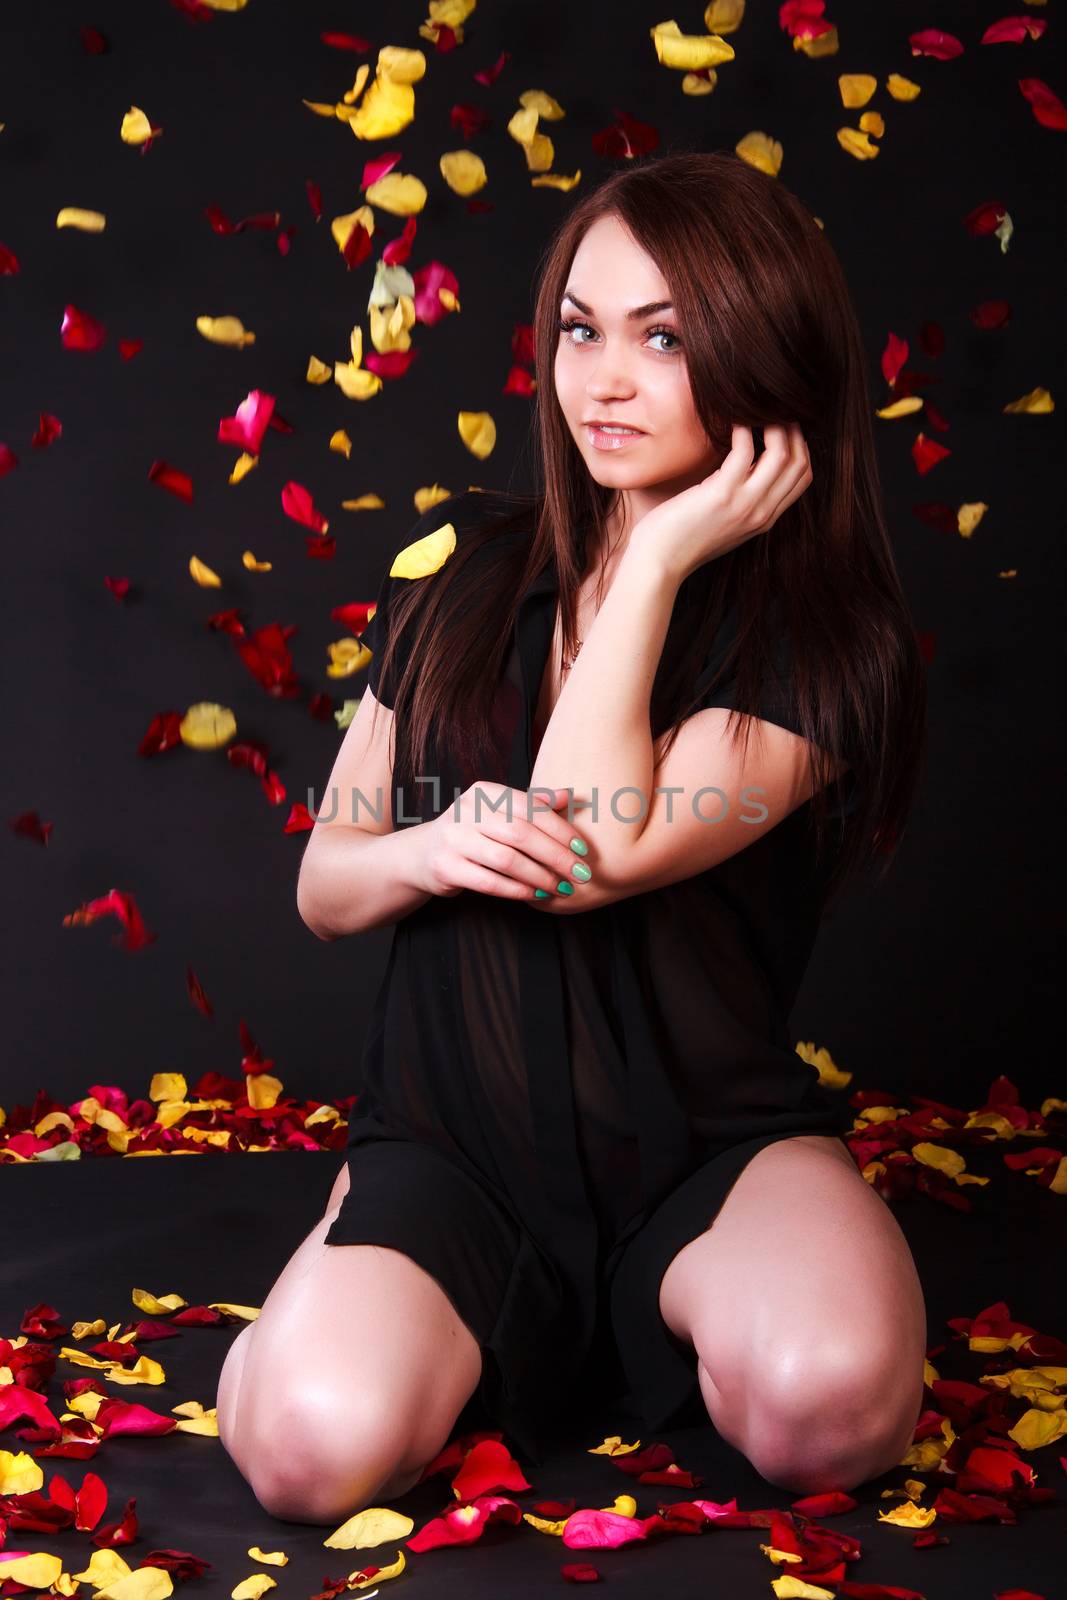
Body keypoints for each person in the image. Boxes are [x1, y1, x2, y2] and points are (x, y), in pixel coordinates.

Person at [216, 151, 929, 1524]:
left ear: (761, 350)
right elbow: (326, 883)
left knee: (826, 1411)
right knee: (311, 1454)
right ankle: (355, 1305)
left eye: (664, 338)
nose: (603, 379)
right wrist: (429, 848)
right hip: (456, 1145)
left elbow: (592, 853)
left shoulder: (827, 639)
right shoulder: (462, 577)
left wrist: (653, 559)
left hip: (706, 1143)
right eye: (580, 330)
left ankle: (646, 1317)